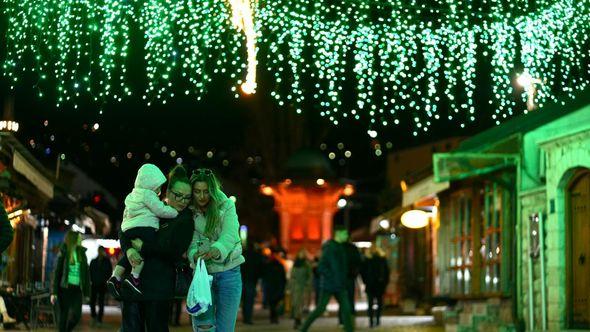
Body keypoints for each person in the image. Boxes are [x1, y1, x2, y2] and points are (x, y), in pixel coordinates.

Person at [119, 164, 195, 332]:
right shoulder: (152, 205)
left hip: (159, 288)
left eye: (187, 197)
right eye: (178, 195)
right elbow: (125, 226)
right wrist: (128, 249)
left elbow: (174, 251)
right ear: (167, 192)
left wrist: (145, 247)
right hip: (133, 284)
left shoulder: (185, 220)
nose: (182, 201)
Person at [108, 163, 179, 297]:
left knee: (128, 255)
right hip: (145, 228)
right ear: (151, 183)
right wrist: (174, 212)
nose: (159, 189)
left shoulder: (132, 195)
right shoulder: (148, 194)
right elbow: (160, 210)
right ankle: (134, 277)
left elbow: (126, 216)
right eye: (158, 185)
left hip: (128, 229)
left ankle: (115, 276)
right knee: (143, 250)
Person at [187, 168, 245, 332]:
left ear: (213, 190)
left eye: (206, 191)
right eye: (197, 191)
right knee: (204, 327)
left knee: (225, 329)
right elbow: (190, 241)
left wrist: (216, 249)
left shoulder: (226, 205)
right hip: (202, 275)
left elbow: (230, 235)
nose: (202, 196)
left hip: (230, 271)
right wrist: (194, 254)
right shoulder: (189, 211)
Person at [299, 225, 354, 332]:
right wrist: (332, 277)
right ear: (338, 234)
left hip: (339, 284)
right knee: (320, 309)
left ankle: (350, 330)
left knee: (346, 309)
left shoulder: (340, 247)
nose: (347, 236)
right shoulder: (330, 247)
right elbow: (321, 267)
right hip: (330, 285)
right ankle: (303, 329)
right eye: (345, 233)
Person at [51, 230, 90, 332]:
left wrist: (87, 292)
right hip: (64, 288)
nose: (80, 239)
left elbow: (86, 274)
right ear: (73, 239)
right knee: (63, 316)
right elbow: (56, 272)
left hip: (77, 289)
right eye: (78, 237)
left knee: (77, 315)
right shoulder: (63, 252)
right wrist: (53, 292)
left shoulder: (82, 253)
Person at [360, 245, 390, 328]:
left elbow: (362, 272)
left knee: (371, 303)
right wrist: (385, 282)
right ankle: (376, 319)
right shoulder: (381, 259)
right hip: (378, 284)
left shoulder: (367, 260)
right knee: (378, 303)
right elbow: (387, 272)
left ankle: (372, 321)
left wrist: (365, 281)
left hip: (371, 284)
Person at [241, 241, 264, 325]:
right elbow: (259, 268)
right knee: (249, 300)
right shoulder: (255, 256)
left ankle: (245, 317)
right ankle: (248, 317)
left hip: (243, 280)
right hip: (251, 280)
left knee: (244, 299)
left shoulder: (243, 255)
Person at [339, 239, 362, 325]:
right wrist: (355, 273)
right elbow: (358, 262)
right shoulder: (353, 249)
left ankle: (342, 320)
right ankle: (351, 320)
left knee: (342, 299)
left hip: (341, 278)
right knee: (350, 299)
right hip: (350, 277)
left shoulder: (339, 248)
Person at [89, 246, 112, 325]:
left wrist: (106, 280)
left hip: (102, 284)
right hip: (94, 283)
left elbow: (109, 272)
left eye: (101, 251)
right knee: (92, 301)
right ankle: (93, 316)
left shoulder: (107, 261)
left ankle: (99, 319)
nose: (100, 252)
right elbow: (90, 271)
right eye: (99, 250)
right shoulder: (94, 261)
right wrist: (91, 280)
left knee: (101, 302)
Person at [290, 249, 312, 329]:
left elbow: (310, 276)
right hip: (295, 287)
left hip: (303, 287)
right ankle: (297, 319)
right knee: (296, 304)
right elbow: (292, 276)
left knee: (300, 304)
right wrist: (290, 286)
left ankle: (298, 320)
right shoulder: (295, 264)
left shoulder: (307, 264)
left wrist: (307, 286)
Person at [264, 250, 286, 324]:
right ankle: (275, 317)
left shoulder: (268, 266)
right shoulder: (280, 266)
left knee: (272, 303)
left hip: (271, 287)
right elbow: (283, 278)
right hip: (278, 286)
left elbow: (266, 277)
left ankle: (272, 317)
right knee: (275, 303)